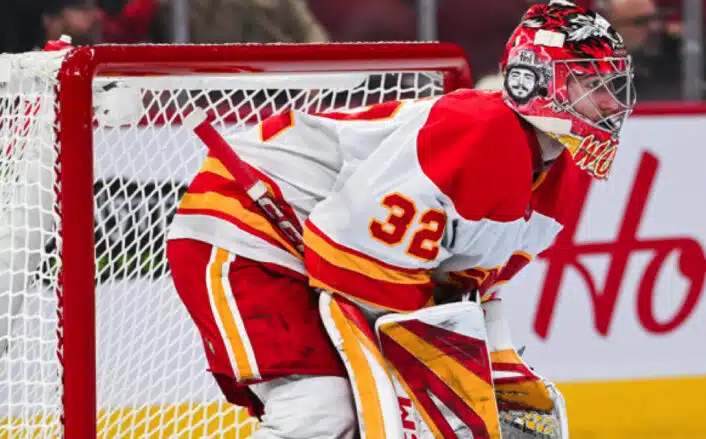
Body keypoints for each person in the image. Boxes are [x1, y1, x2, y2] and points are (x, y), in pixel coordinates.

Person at [164, 0, 635, 437]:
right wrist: (437, 380)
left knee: (345, 412)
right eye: (590, 84)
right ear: (532, 80)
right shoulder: (482, 130)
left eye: (613, 87)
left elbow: (466, 288)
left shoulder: (556, 176)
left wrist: (500, 367)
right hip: (244, 225)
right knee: (320, 407)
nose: (613, 104)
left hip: (312, 248)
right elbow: (344, 260)